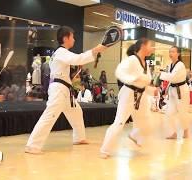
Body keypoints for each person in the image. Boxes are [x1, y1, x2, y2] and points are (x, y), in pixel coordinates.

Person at [25, 26, 107, 154]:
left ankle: (79, 138)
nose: (74, 39)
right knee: (49, 116)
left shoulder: (60, 53)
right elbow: (78, 58)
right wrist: (96, 50)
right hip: (58, 90)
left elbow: (72, 65)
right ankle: (32, 145)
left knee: (76, 112)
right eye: (72, 37)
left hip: (63, 89)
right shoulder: (61, 52)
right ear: (65, 38)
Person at [100, 38, 154, 158]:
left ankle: (135, 135)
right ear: (143, 46)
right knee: (119, 122)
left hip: (141, 96)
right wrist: (134, 78)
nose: (152, 48)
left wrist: (151, 90)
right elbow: (119, 72)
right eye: (150, 45)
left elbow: (145, 82)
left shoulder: (145, 63)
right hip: (129, 94)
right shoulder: (132, 60)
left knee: (146, 122)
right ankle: (105, 149)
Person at [159, 46, 190, 139]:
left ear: (178, 54)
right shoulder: (170, 65)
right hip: (173, 90)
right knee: (169, 112)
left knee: (182, 112)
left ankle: (186, 130)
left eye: (173, 51)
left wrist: (161, 74)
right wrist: (166, 89)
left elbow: (173, 77)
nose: (170, 53)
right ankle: (173, 132)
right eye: (170, 52)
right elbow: (171, 80)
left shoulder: (180, 65)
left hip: (181, 91)